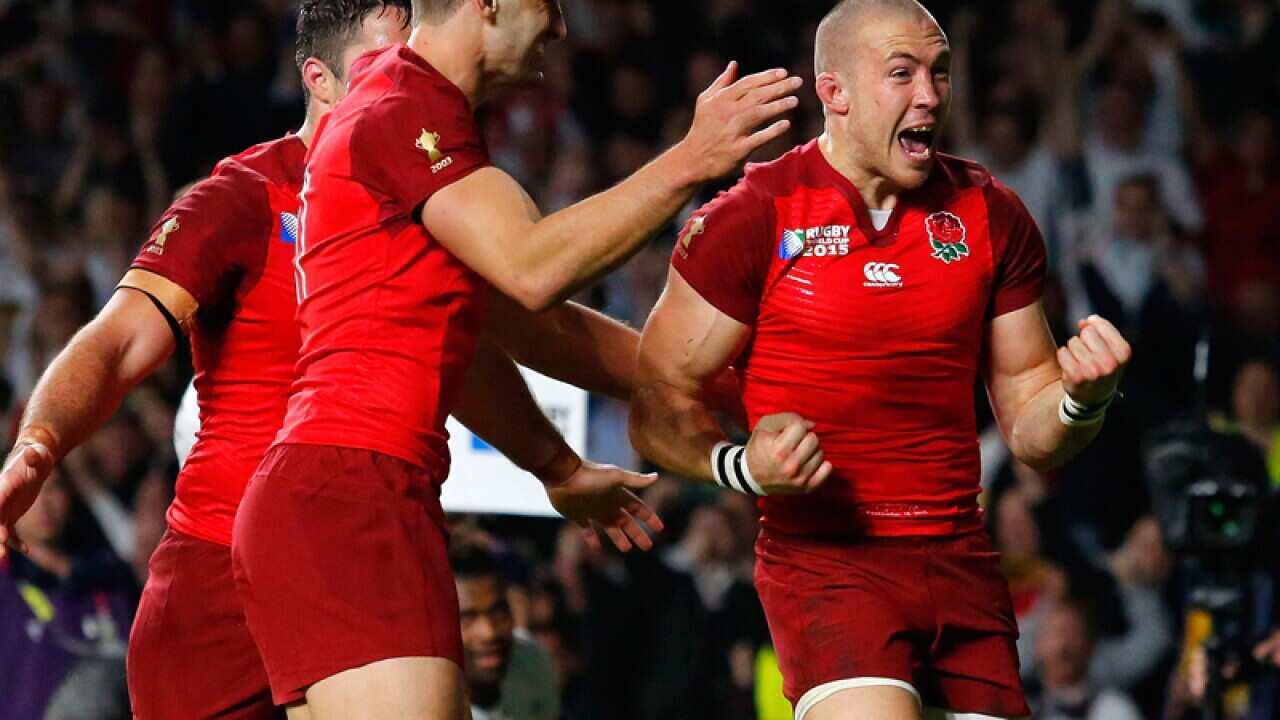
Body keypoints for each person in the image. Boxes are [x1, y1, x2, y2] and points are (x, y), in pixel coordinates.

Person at [0, 2, 674, 718]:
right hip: (219, 566)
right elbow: (117, 341)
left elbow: (481, 345)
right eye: (381, 64)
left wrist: (574, 457)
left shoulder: (436, 180)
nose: (402, 77)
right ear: (318, 80)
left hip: (346, 541)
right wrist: (38, 448)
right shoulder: (245, 196)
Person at [228, 0, 815, 717]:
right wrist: (691, 160)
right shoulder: (401, 106)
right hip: (351, 491)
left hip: (322, 496)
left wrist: (720, 395)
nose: (563, 27)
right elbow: (534, 269)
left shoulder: (397, 113)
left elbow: (514, 334)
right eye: (551, 3)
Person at [628, 1, 1132, 719]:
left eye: (940, 73)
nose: (930, 94)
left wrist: (1085, 398)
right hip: (828, 563)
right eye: (903, 73)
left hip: (961, 560)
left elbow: (1030, 429)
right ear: (833, 92)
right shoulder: (754, 217)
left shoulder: (992, 216)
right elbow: (656, 402)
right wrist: (741, 465)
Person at [452, 542, 559, 720]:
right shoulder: (417, 704)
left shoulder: (532, 660)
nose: (489, 632)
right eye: (467, 619)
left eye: (498, 612)